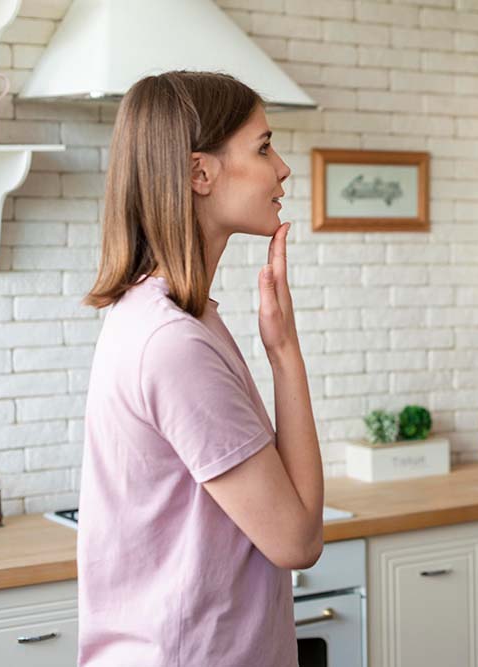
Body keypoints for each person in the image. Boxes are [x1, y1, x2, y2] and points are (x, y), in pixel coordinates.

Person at [79, 71, 322, 666]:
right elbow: (298, 540)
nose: (283, 168)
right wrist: (286, 353)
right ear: (198, 173)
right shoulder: (174, 343)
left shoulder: (174, 318)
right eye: (264, 148)